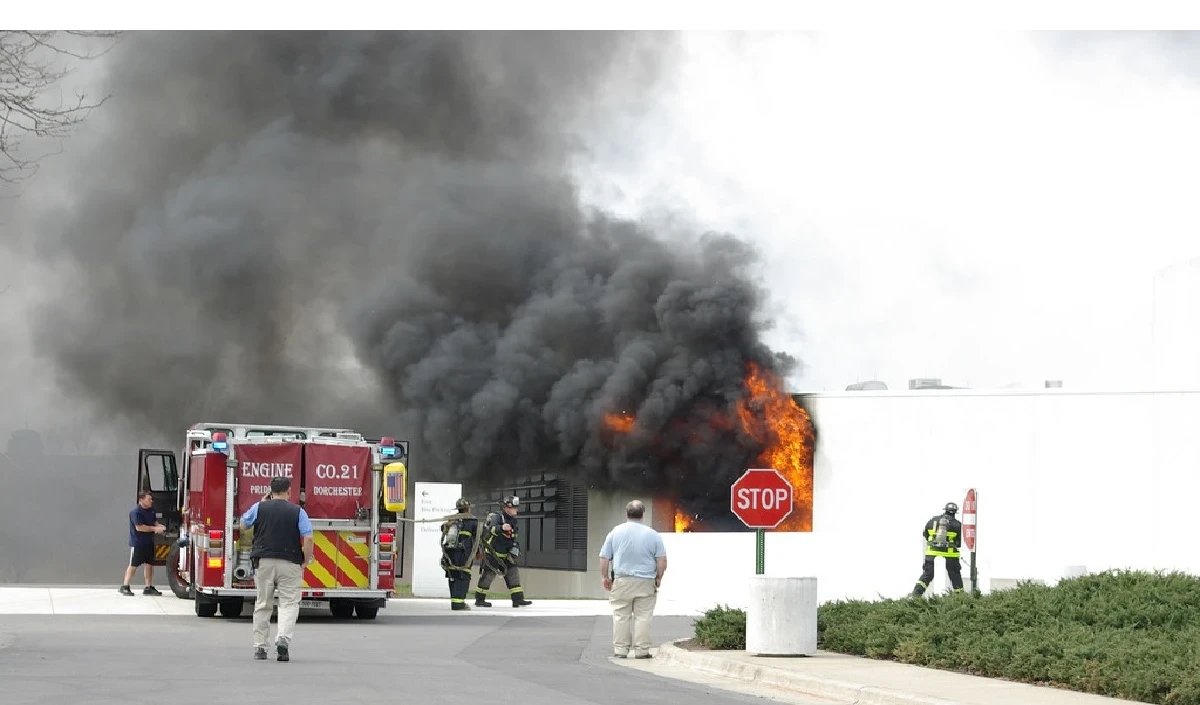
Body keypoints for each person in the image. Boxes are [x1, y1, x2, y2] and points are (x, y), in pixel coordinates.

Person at [239, 476, 313, 662]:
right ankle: (283, 640)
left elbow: (243, 525)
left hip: (263, 562)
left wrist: (262, 504)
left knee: (263, 603)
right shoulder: (298, 511)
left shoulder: (259, 507)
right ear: (289, 491)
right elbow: (309, 538)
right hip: (290, 562)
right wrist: (305, 559)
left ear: (270, 491)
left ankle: (260, 648)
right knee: (288, 603)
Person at [598, 499, 667, 659]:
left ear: (626, 514)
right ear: (643, 514)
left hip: (622, 580)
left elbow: (604, 557)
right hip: (645, 581)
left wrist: (605, 577)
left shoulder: (615, 532)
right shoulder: (652, 534)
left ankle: (621, 650)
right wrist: (658, 577)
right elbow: (661, 560)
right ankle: (642, 651)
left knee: (621, 615)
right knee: (643, 616)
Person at [473, 496, 533, 608]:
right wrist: (501, 528)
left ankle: (518, 599)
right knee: (488, 576)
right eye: (514, 508)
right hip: (493, 554)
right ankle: (479, 599)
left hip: (506, 554)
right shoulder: (496, 517)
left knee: (513, 574)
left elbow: (512, 536)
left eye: (516, 507)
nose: (516, 510)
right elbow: (490, 529)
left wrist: (514, 547)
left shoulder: (513, 520)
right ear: (506, 508)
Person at [911, 501, 964, 597]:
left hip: (931, 553)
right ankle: (961, 598)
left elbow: (926, 535)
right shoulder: (958, 525)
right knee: (955, 576)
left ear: (945, 510)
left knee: (927, 575)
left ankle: (915, 595)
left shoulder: (931, 521)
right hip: (950, 555)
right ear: (955, 512)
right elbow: (959, 543)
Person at [119, 490, 165, 596]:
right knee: (133, 565)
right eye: (148, 499)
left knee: (149, 564)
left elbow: (154, 521)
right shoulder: (135, 512)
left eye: (151, 499)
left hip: (149, 542)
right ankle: (125, 586)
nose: (151, 501)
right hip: (138, 543)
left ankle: (148, 587)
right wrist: (154, 529)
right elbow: (139, 527)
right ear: (141, 500)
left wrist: (159, 526)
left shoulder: (151, 510)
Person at [441, 498, 479, 611]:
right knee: (463, 576)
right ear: (468, 508)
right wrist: (478, 553)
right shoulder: (473, 521)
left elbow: (442, 529)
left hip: (450, 552)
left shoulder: (452, 520)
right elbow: (477, 539)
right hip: (464, 554)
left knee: (452, 575)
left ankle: (455, 601)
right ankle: (459, 603)